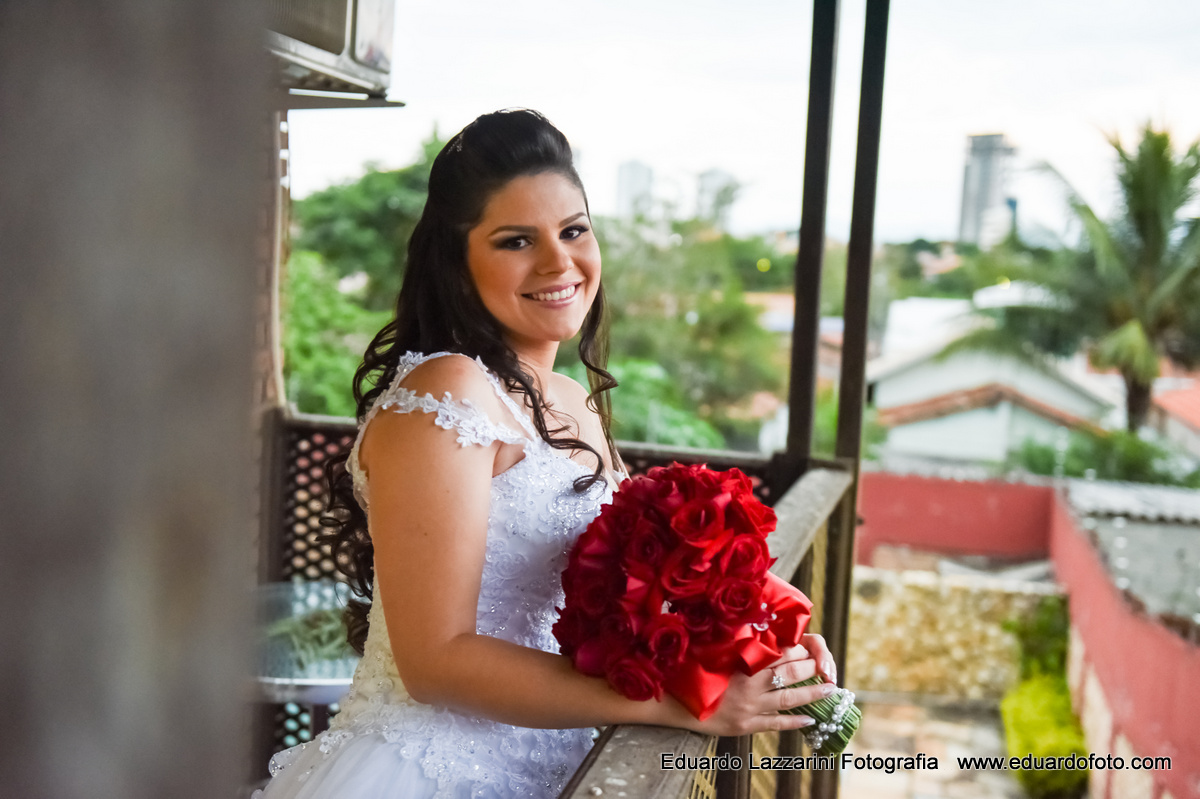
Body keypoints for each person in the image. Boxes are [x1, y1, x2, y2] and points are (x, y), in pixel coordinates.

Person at [255, 109, 838, 799]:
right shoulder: (448, 392)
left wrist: (759, 629)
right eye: (515, 240)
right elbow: (436, 660)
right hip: (430, 775)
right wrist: (684, 704)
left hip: (564, 769)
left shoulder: (569, 397)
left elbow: (626, 592)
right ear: (456, 259)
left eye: (573, 230)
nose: (559, 262)